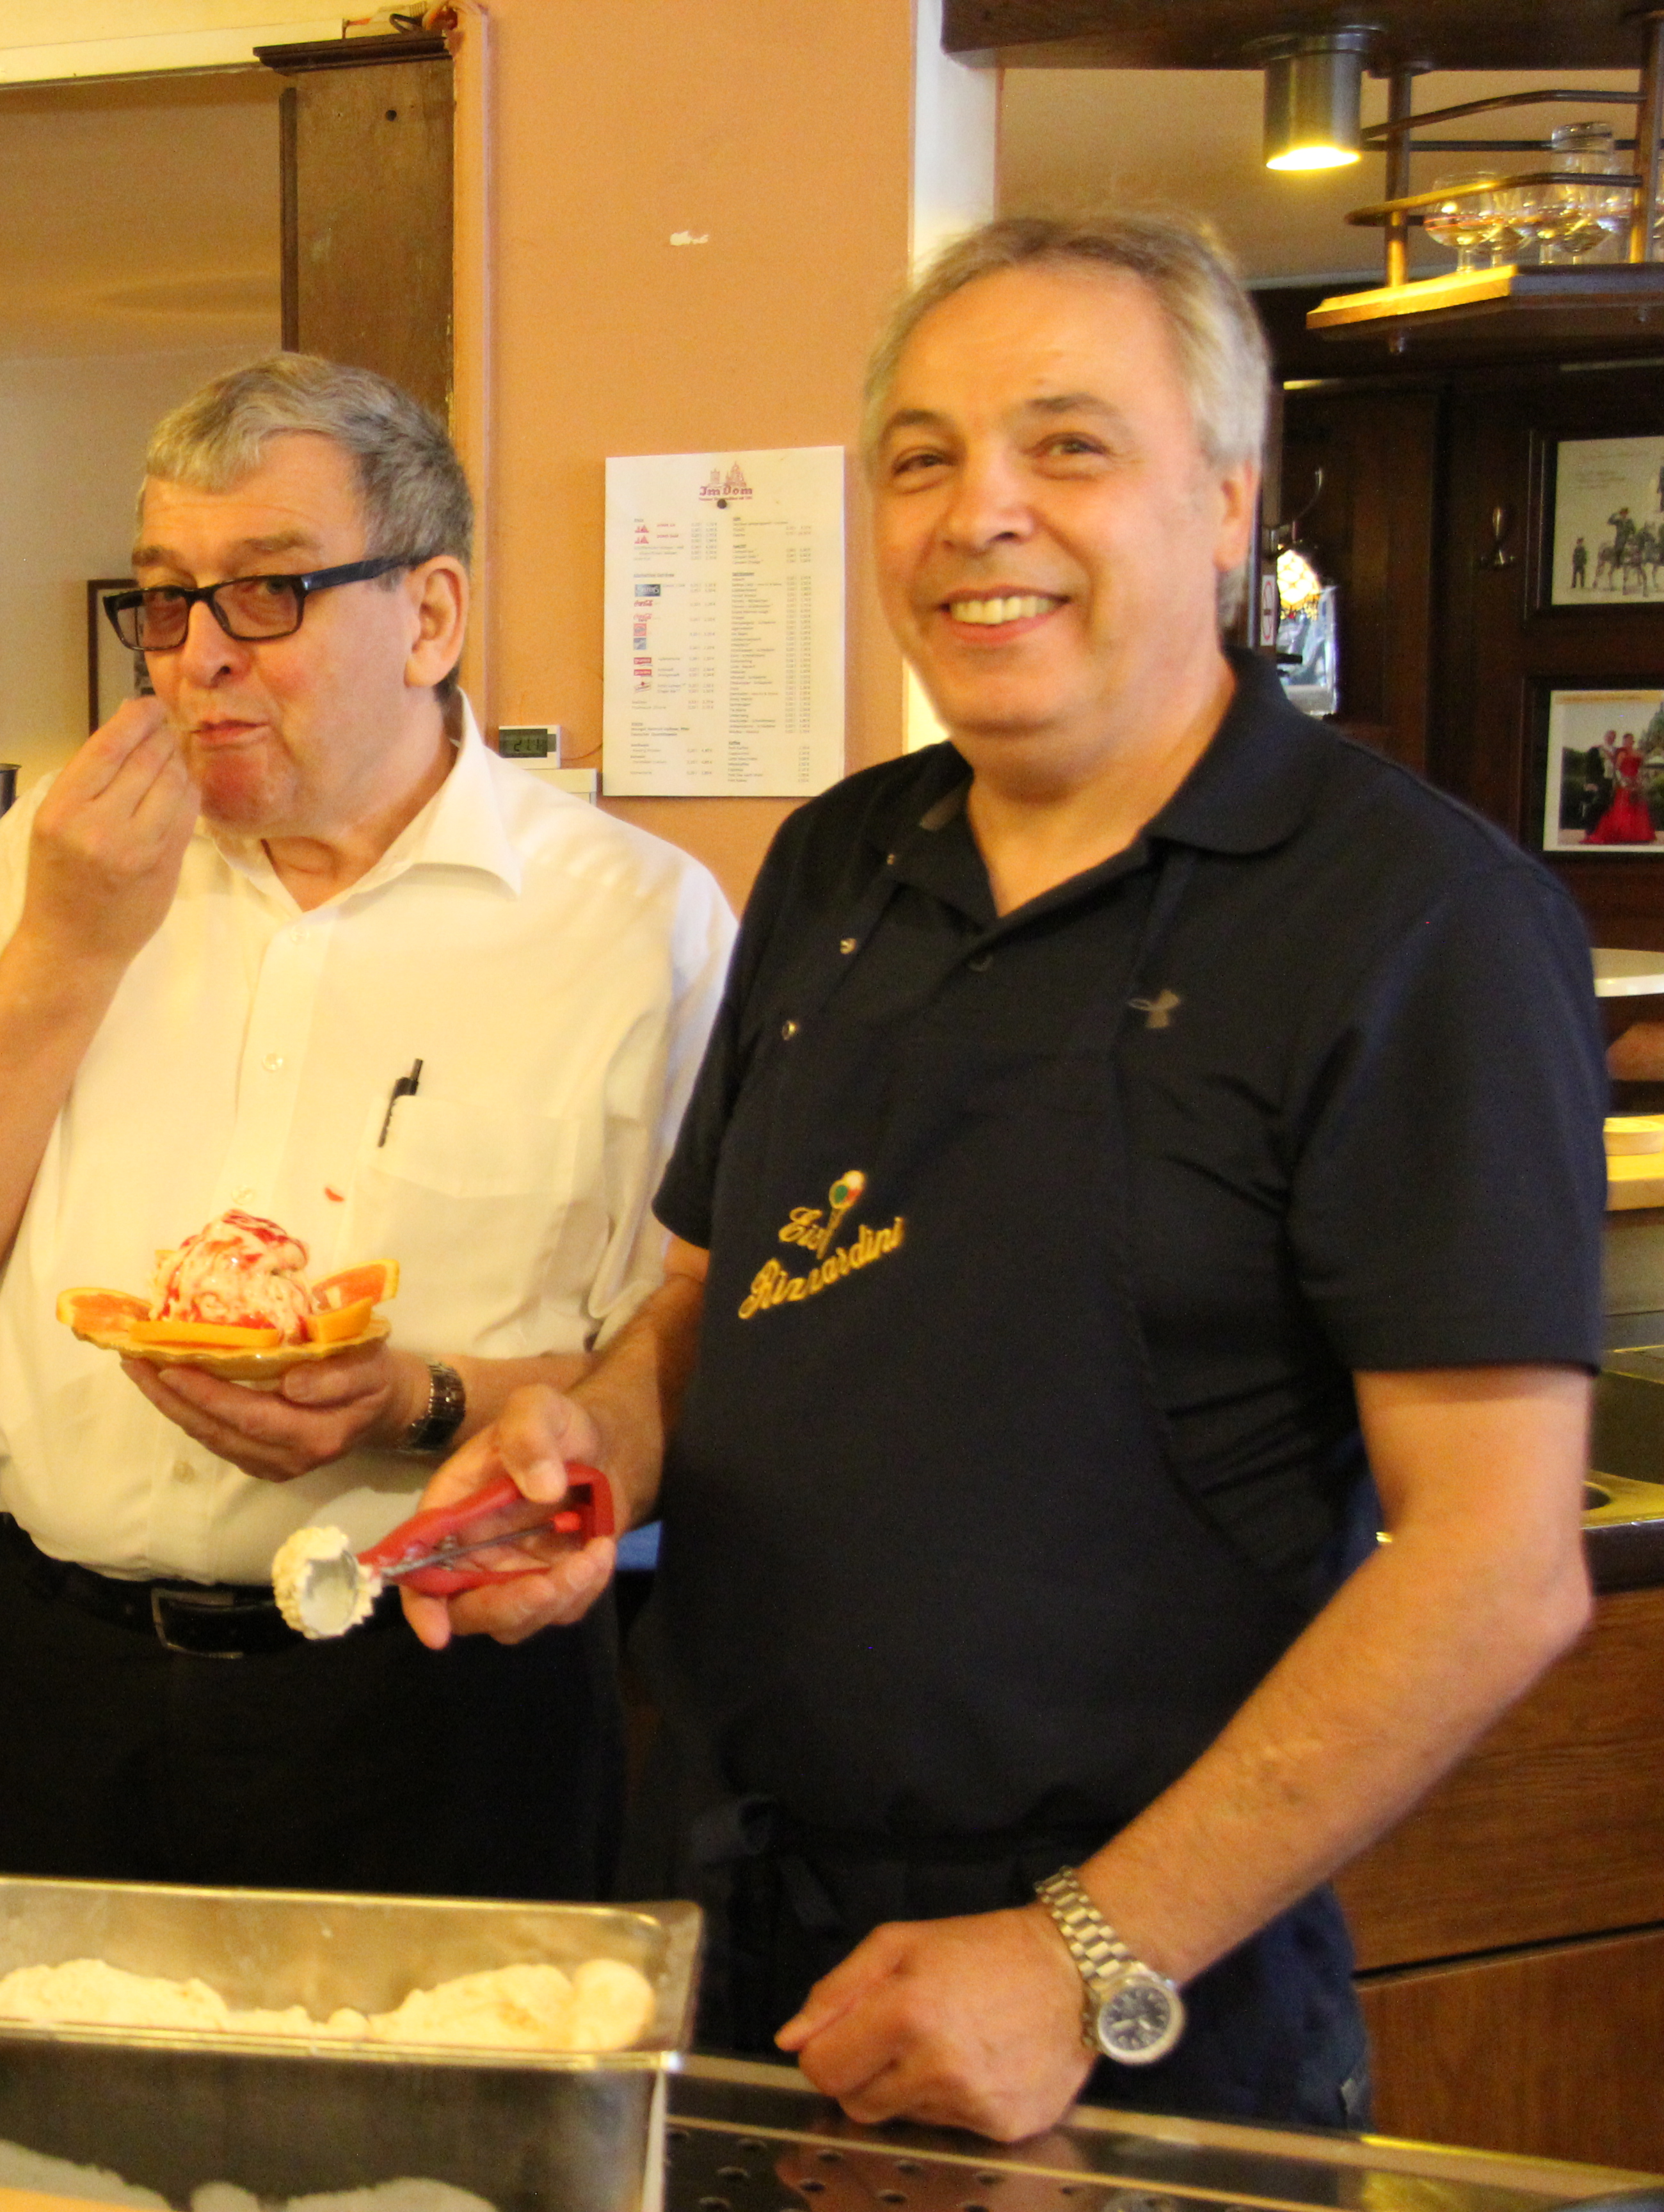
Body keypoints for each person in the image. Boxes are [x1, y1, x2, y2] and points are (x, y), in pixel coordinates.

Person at [404, 213, 1599, 2138]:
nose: (982, 515)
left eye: (1069, 447)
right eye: (924, 459)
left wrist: (1080, 1955)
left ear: (1225, 502)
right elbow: (723, 1300)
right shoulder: (836, 864)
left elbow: (1498, 1562)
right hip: (730, 1935)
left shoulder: (1417, 923)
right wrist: (592, 1451)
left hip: (1136, 2004)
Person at [0, 354, 732, 1901]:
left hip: (436, 1692)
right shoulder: (65, 855)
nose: (196, 659)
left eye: (268, 594)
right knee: (44, 2143)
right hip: (68, 1672)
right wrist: (73, 947)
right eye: (165, 600)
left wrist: (416, 1402)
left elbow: (684, 1358)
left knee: (438, 2144)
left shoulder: (633, 922)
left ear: (431, 618)